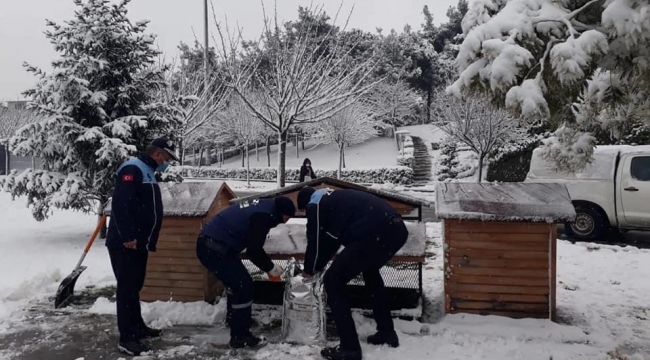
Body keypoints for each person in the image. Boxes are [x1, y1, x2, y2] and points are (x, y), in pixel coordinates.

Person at [297, 186, 409, 360]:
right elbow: (331, 242)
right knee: (370, 273)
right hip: (396, 230)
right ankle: (387, 332)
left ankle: (350, 348)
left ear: (305, 204)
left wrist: (308, 270)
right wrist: (318, 266)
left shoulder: (315, 205)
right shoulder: (333, 198)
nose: (306, 214)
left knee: (333, 282)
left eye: (304, 211)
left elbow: (315, 240)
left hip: (373, 234)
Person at [105, 138, 178, 356]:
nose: (168, 162)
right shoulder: (132, 168)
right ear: (158, 154)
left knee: (134, 286)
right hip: (126, 243)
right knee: (127, 289)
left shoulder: (147, 171)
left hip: (139, 243)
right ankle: (127, 338)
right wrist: (128, 236)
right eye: (167, 158)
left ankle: (137, 327)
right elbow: (120, 204)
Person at [196, 196, 296, 349]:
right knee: (244, 286)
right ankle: (240, 337)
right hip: (214, 248)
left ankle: (235, 320)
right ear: (281, 213)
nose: (287, 221)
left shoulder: (265, 206)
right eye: (287, 217)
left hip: (212, 244)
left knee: (236, 284)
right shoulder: (263, 215)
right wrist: (271, 268)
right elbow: (254, 250)